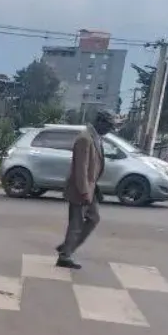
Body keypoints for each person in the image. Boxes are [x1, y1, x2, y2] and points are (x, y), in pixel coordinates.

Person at [57, 110, 114, 270]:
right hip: (80, 188)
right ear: (100, 122)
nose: (109, 130)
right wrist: (84, 192)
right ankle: (65, 255)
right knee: (76, 224)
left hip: (90, 187)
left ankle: (67, 247)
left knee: (93, 218)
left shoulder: (94, 137)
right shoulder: (85, 138)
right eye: (108, 126)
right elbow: (80, 169)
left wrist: (93, 189)